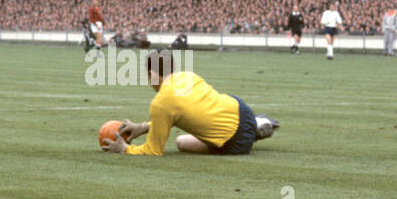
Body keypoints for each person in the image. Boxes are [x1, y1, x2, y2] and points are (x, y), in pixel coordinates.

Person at [101, 49, 277, 156]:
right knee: (188, 136)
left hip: (234, 142)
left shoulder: (161, 102)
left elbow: (153, 151)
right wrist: (144, 127)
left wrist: (124, 148)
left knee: (183, 143)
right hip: (240, 108)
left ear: (152, 73)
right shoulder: (188, 76)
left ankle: (253, 132)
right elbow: (187, 110)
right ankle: (256, 124)